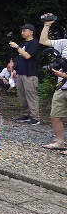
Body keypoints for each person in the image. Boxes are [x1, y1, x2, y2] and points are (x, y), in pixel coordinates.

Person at [39, 15, 67, 154]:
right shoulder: (64, 43)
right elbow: (43, 41)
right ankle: (60, 142)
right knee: (55, 115)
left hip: (63, 79)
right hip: (61, 86)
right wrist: (47, 25)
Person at [9, 23, 41, 125]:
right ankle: (26, 114)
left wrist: (17, 47)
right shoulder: (24, 43)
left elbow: (27, 56)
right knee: (22, 96)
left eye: (24, 30)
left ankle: (35, 117)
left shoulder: (34, 43)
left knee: (31, 95)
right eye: (21, 30)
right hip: (21, 73)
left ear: (31, 32)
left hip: (30, 74)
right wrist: (16, 70)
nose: (22, 32)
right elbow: (21, 58)